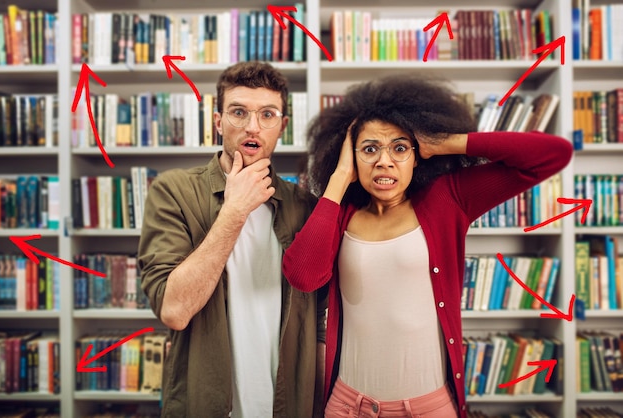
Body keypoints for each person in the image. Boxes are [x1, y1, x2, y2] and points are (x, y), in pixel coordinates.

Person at [282, 74, 573, 418]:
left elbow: (552, 155)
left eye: (400, 148)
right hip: (348, 406)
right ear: (350, 156)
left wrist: (447, 143)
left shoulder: (447, 199)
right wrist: (339, 178)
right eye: (370, 149)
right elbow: (302, 276)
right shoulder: (339, 212)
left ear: (418, 156)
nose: (384, 161)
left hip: (428, 408)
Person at [138, 61, 326, 418]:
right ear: (218, 120)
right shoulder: (174, 192)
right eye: (239, 112)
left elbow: (320, 322)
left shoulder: (304, 207)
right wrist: (234, 211)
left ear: (282, 126)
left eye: (267, 114)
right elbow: (174, 310)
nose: (252, 127)